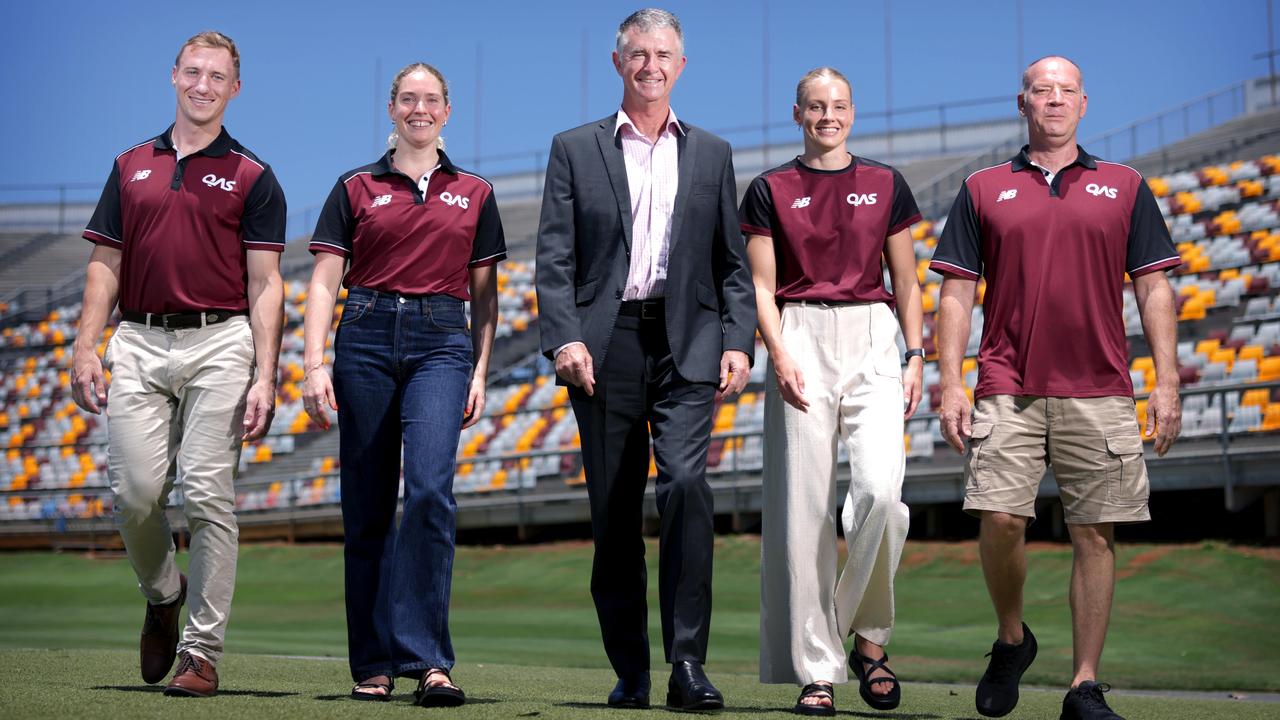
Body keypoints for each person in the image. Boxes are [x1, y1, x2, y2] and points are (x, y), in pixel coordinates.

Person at [930, 56, 1182, 720]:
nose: (1054, 100)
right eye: (1042, 90)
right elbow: (955, 295)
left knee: (1095, 534)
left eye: (1066, 91)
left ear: (1084, 103)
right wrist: (949, 382)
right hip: (1006, 384)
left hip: (1101, 387)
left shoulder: (1125, 186)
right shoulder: (983, 187)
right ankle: (1013, 638)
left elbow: (1154, 287)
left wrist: (1167, 382)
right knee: (1002, 520)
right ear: (1023, 103)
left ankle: (1085, 685)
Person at [534, 7, 755, 711]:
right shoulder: (574, 148)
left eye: (664, 54)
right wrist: (565, 338)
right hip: (605, 347)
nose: (651, 65)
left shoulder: (714, 154)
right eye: (638, 53)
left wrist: (737, 339)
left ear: (681, 66)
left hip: (688, 342)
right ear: (618, 62)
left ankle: (687, 664)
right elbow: (555, 256)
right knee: (615, 512)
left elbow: (732, 265)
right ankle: (630, 669)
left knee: (688, 486)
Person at [71, 31, 286, 698]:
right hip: (135, 338)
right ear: (173, 76)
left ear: (235, 88)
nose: (203, 84)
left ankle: (200, 653)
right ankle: (164, 593)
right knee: (134, 495)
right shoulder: (130, 163)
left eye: (217, 75)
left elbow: (266, 284)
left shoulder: (254, 175)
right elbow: (104, 264)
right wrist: (85, 344)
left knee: (209, 493)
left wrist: (266, 372)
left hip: (221, 342)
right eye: (193, 71)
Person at [301, 61, 504, 708]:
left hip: (442, 342)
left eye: (431, 99)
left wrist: (479, 370)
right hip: (362, 334)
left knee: (429, 493)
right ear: (391, 108)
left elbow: (486, 295)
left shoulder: (475, 191)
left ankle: (429, 660)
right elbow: (325, 282)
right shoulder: (354, 186)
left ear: (448, 111)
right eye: (408, 98)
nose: (420, 108)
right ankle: (375, 663)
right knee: (366, 506)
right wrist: (312, 363)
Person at [741, 67, 923, 716]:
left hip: (875, 334)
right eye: (815, 107)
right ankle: (819, 671)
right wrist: (779, 352)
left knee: (882, 494)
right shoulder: (769, 188)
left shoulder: (885, 184)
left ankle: (860, 630)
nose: (827, 116)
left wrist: (916, 354)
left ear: (853, 111)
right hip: (800, 335)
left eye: (838, 105)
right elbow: (761, 286)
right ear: (797, 114)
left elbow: (905, 280)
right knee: (803, 515)